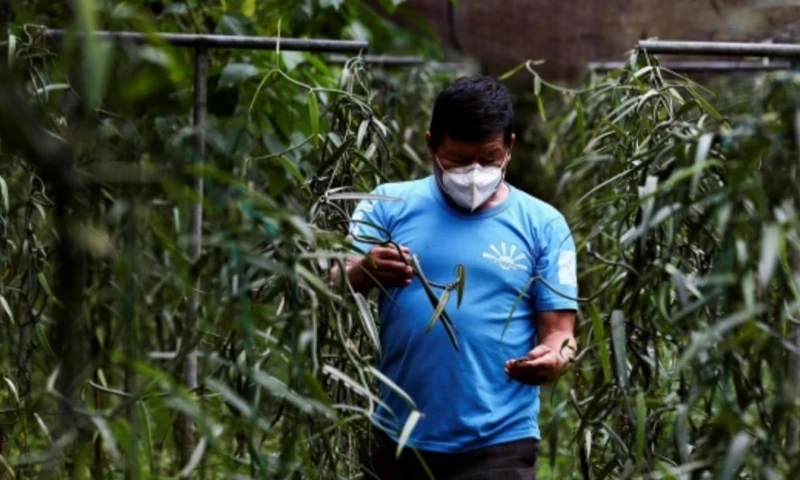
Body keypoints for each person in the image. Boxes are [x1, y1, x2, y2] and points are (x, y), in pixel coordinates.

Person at [344, 76, 578, 480]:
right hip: (397, 432)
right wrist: (363, 271)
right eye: (456, 160)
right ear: (431, 145)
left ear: (510, 146)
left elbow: (561, 331)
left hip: (500, 441)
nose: (473, 175)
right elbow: (330, 281)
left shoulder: (545, 225)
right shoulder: (386, 205)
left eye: (488, 159)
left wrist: (556, 357)